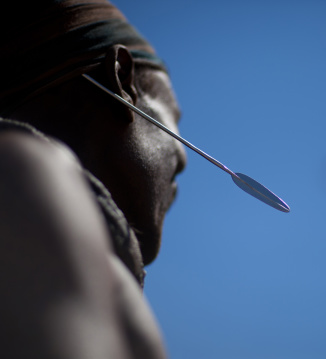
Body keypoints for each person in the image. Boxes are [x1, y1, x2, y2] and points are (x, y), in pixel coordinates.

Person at [0, 1, 186, 358]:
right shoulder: (20, 171)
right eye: (173, 114)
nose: (184, 159)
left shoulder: (108, 280)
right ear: (123, 80)